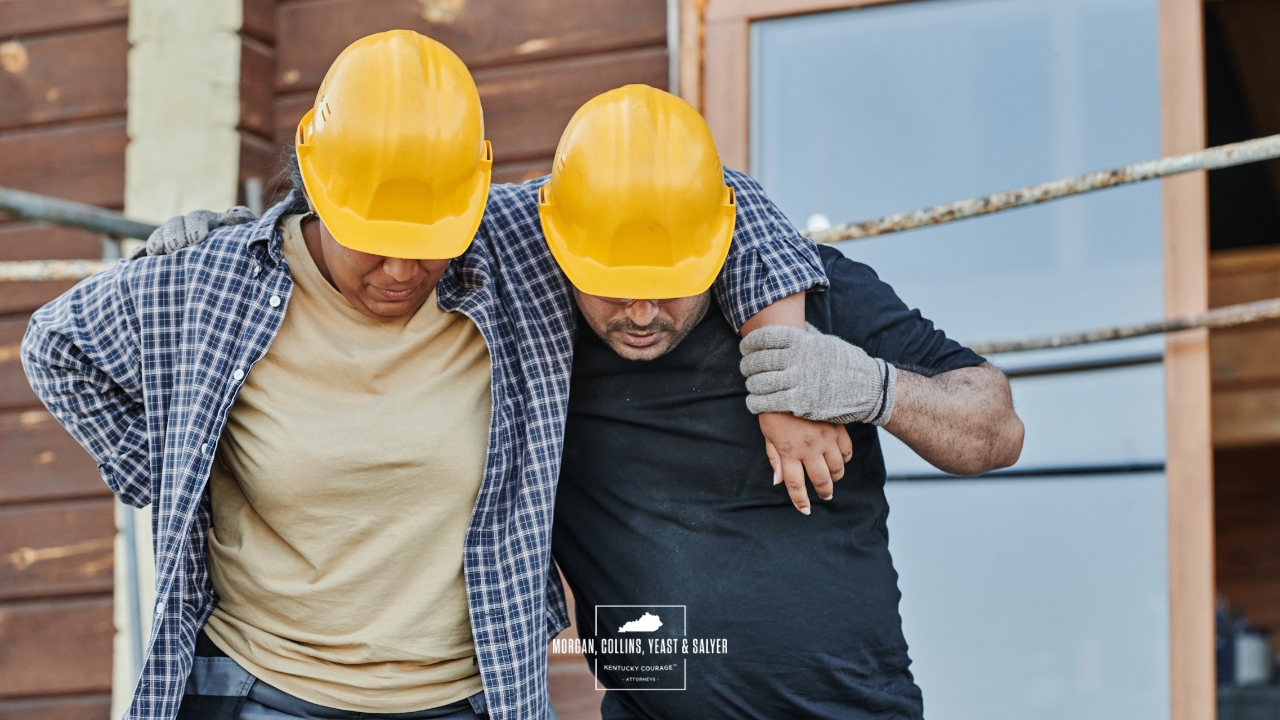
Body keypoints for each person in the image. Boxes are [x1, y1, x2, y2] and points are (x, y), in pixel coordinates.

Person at [20, 36, 831, 720]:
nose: (403, 267)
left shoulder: (510, 247)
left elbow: (724, 197)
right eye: (371, 237)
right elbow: (55, 347)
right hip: (263, 694)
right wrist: (180, 479)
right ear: (318, 189)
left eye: (431, 236)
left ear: (473, 195)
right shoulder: (212, 281)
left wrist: (784, 376)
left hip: (472, 699)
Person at [539, 87, 1024, 720]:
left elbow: (998, 431)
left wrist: (873, 388)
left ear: (714, 242)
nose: (640, 312)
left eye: (668, 285)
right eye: (611, 284)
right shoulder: (543, 340)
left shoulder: (818, 293)